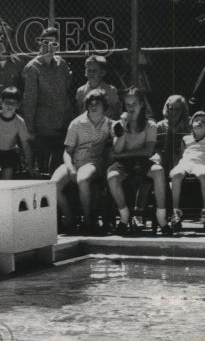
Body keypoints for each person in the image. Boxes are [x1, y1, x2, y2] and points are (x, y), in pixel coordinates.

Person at [106, 87, 171, 236]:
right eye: (128, 104)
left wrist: (123, 155)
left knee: (159, 171)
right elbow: (117, 149)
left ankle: (161, 217)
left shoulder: (150, 125)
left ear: (141, 104)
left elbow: (147, 151)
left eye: (134, 103)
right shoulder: (118, 124)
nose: (131, 108)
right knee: (112, 177)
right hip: (123, 164)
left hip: (142, 161)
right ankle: (124, 215)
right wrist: (121, 131)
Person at [52, 88, 112, 234]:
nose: (94, 106)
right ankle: (69, 215)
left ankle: (87, 220)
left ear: (104, 106)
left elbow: (120, 133)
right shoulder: (76, 123)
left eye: (98, 103)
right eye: (91, 103)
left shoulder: (110, 124)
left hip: (93, 162)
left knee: (83, 179)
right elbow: (67, 151)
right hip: (74, 161)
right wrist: (70, 168)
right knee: (51, 185)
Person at [22, 26, 74, 173]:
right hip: (45, 125)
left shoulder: (61, 63)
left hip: (64, 120)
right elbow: (29, 101)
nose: (50, 47)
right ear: (40, 44)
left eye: (54, 43)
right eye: (46, 42)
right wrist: (30, 129)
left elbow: (66, 86)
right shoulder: (33, 68)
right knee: (59, 150)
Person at [169, 111, 205, 230]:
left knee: (204, 175)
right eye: (196, 120)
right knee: (176, 174)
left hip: (201, 163)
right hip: (186, 163)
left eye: (204, 121)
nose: (199, 122)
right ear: (191, 124)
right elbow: (181, 156)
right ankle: (175, 211)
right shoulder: (186, 139)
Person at [0, 86, 33, 180]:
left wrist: (30, 167)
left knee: (5, 183)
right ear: (1, 102)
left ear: (18, 105)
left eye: (13, 103)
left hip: (9, 156)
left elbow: (26, 144)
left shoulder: (20, 122)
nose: (10, 106)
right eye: (7, 102)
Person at [75, 54, 122, 120]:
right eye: (89, 70)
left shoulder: (111, 90)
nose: (91, 73)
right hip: (87, 127)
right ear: (85, 72)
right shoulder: (81, 91)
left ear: (102, 73)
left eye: (94, 71)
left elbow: (117, 112)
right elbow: (79, 113)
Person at [154, 94, 190, 176]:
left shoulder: (189, 125)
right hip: (164, 156)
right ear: (167, 109)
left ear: (183, 110)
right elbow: (156, 148)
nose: (174, 112)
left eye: (177, 109)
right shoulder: (160, 126)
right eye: (171, 109)